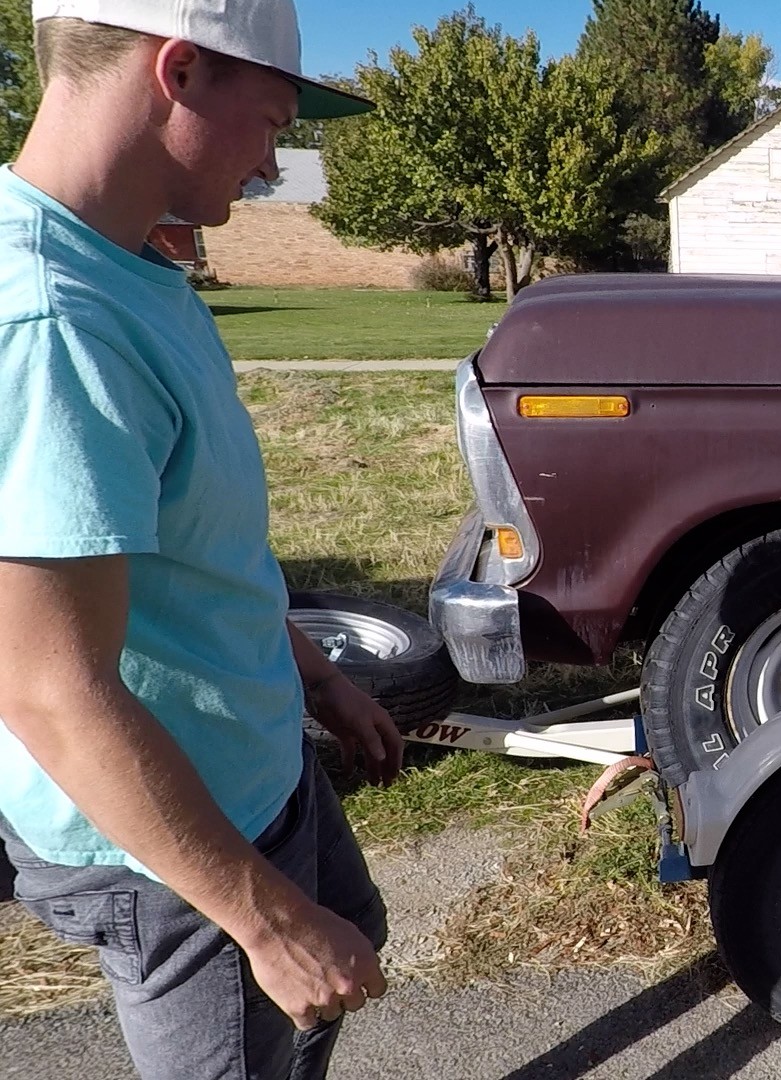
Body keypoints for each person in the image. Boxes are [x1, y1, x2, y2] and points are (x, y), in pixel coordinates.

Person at [0, 2, 404, 1077]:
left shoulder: (136, 264)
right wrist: (264, 922)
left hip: (256, 764)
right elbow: (49, 687)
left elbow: (202, 546)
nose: (275, 164)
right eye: (273, 121)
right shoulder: (56, 323)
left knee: (348, 949)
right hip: (175, 857)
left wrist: (317, 679)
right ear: (177, 71)